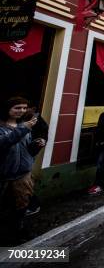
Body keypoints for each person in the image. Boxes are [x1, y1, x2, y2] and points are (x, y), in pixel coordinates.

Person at [0, 97, 44, 243]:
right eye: (17, 108)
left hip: (23, 175)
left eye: (24, 108)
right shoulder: (3, 127)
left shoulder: (24, 126)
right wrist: (24, 128)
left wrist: (36, 145)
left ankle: (18, 231)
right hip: (4, 174)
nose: (22, 111)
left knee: (21, 206)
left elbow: (26, 149)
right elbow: (4, 143)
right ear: (8, 109)